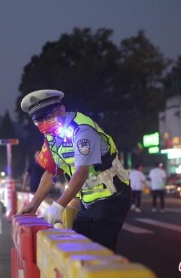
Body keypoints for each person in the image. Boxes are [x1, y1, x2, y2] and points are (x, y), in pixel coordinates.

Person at [18, 89, 131, 251]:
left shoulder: (82, 129)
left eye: (48, 117)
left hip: (112, 197)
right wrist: (33, 204)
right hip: (88, 201)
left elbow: (82, 172)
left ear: (62, 110)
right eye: (38, 121)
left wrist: (58, 207)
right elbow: (51, 172)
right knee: (79, 247)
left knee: (98, 253)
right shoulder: (51, 135)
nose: (44, 124)